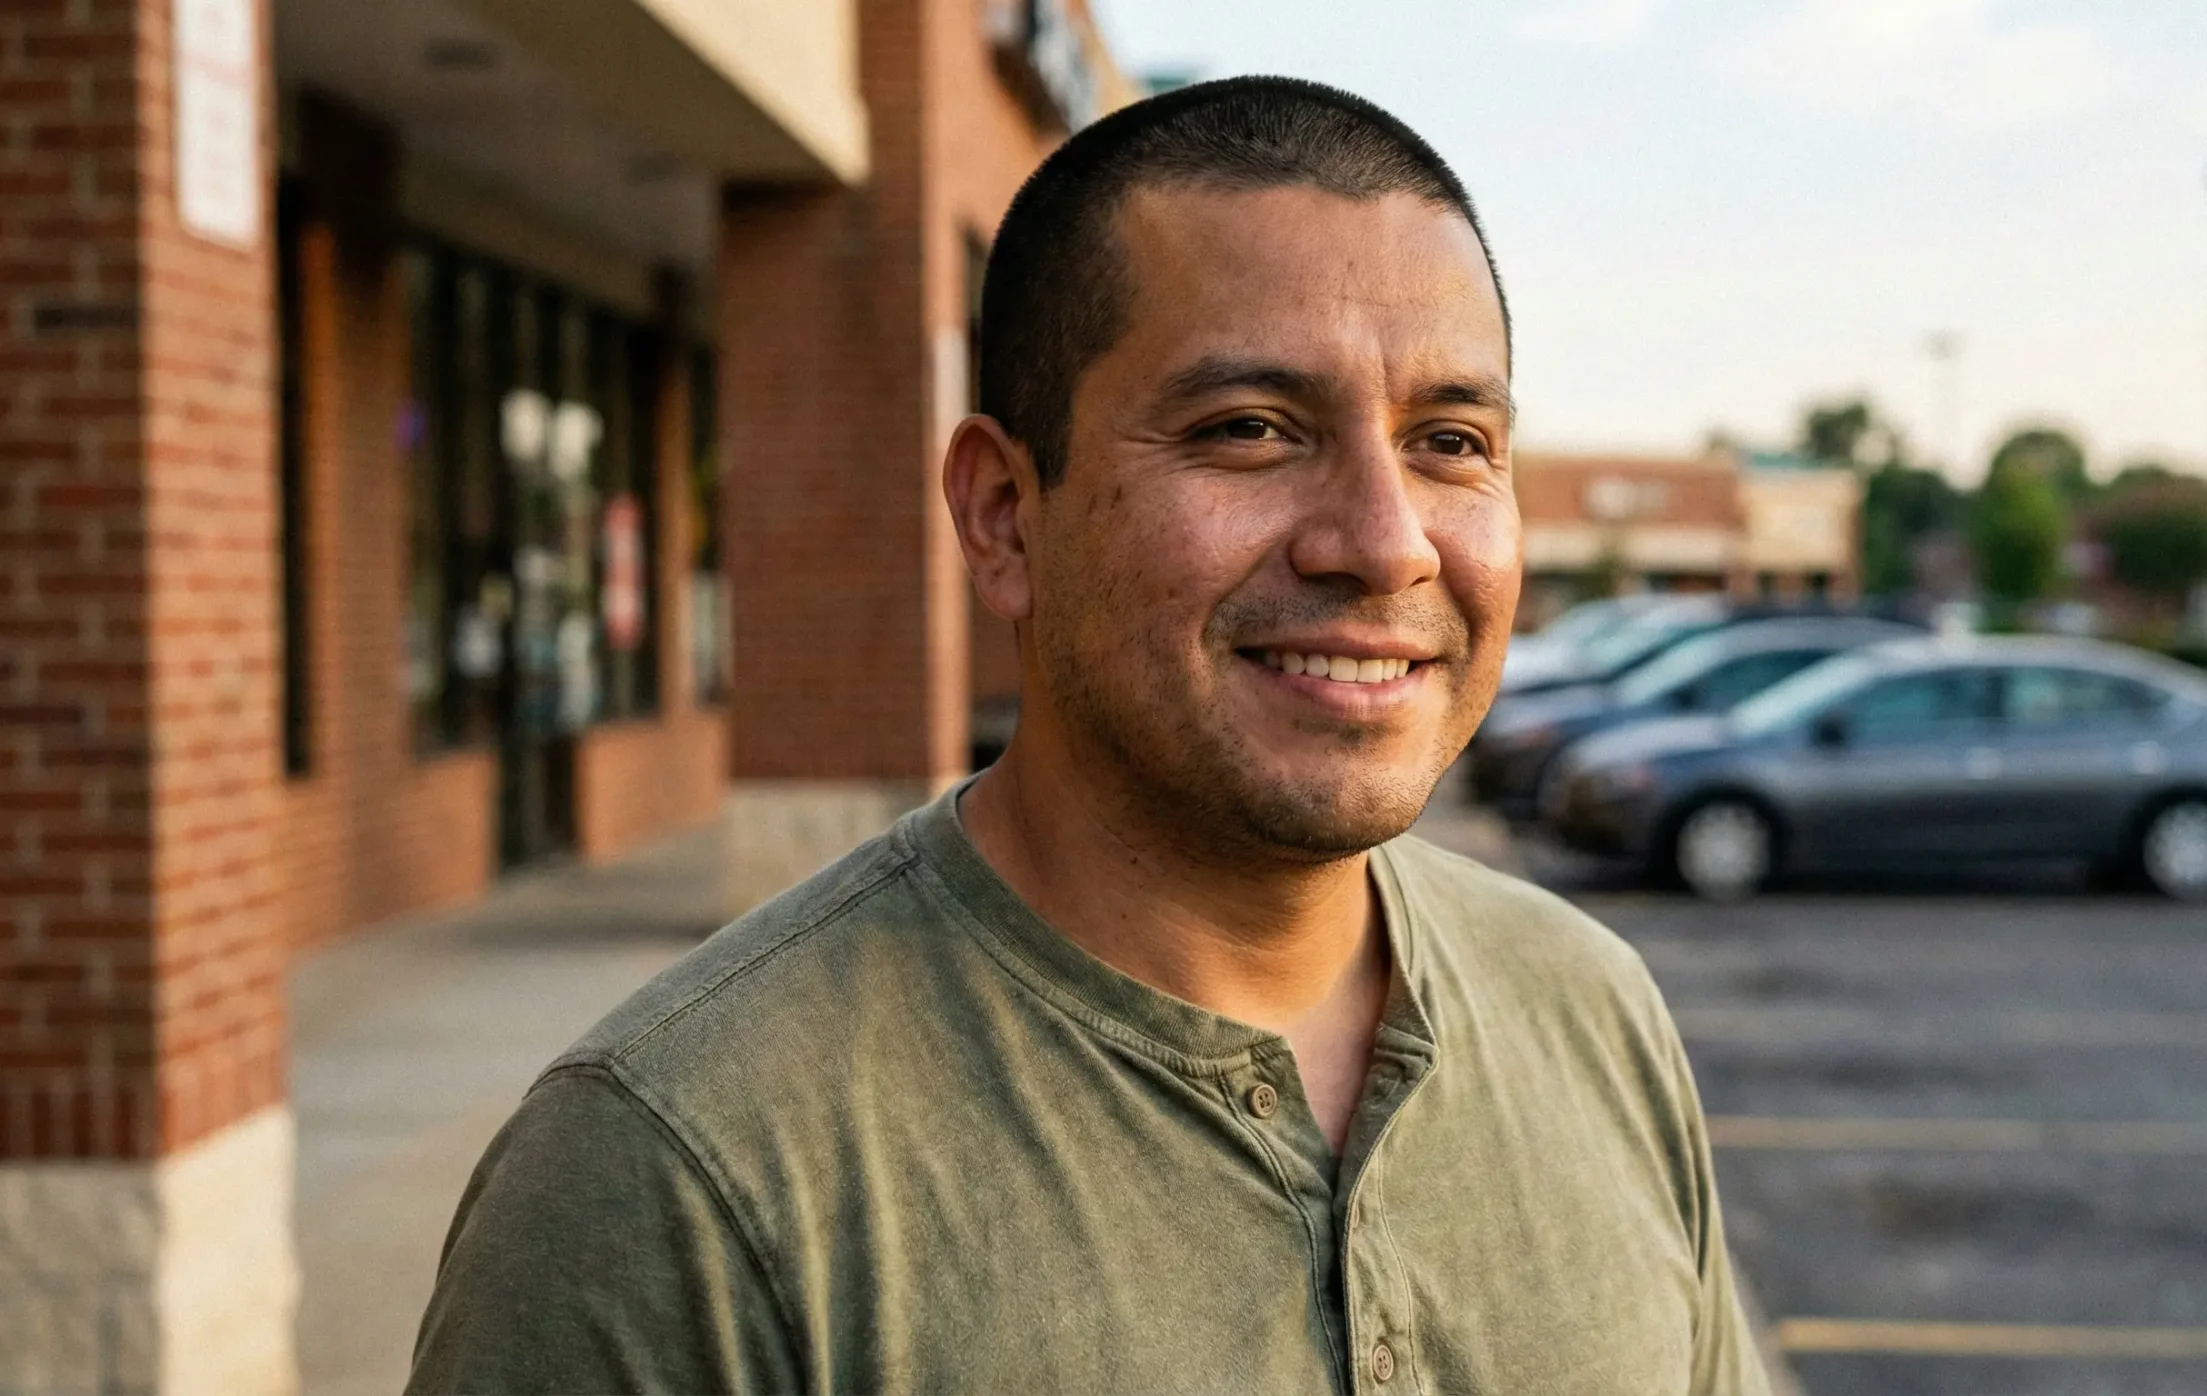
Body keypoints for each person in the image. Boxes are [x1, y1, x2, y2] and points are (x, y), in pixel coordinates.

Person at [408, 76, 1771, 1396]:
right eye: (1250, 429)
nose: (1385, 541)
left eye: (1453, 442)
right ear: (1004, 514)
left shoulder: (1589, 1010)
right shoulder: (674, 1173)